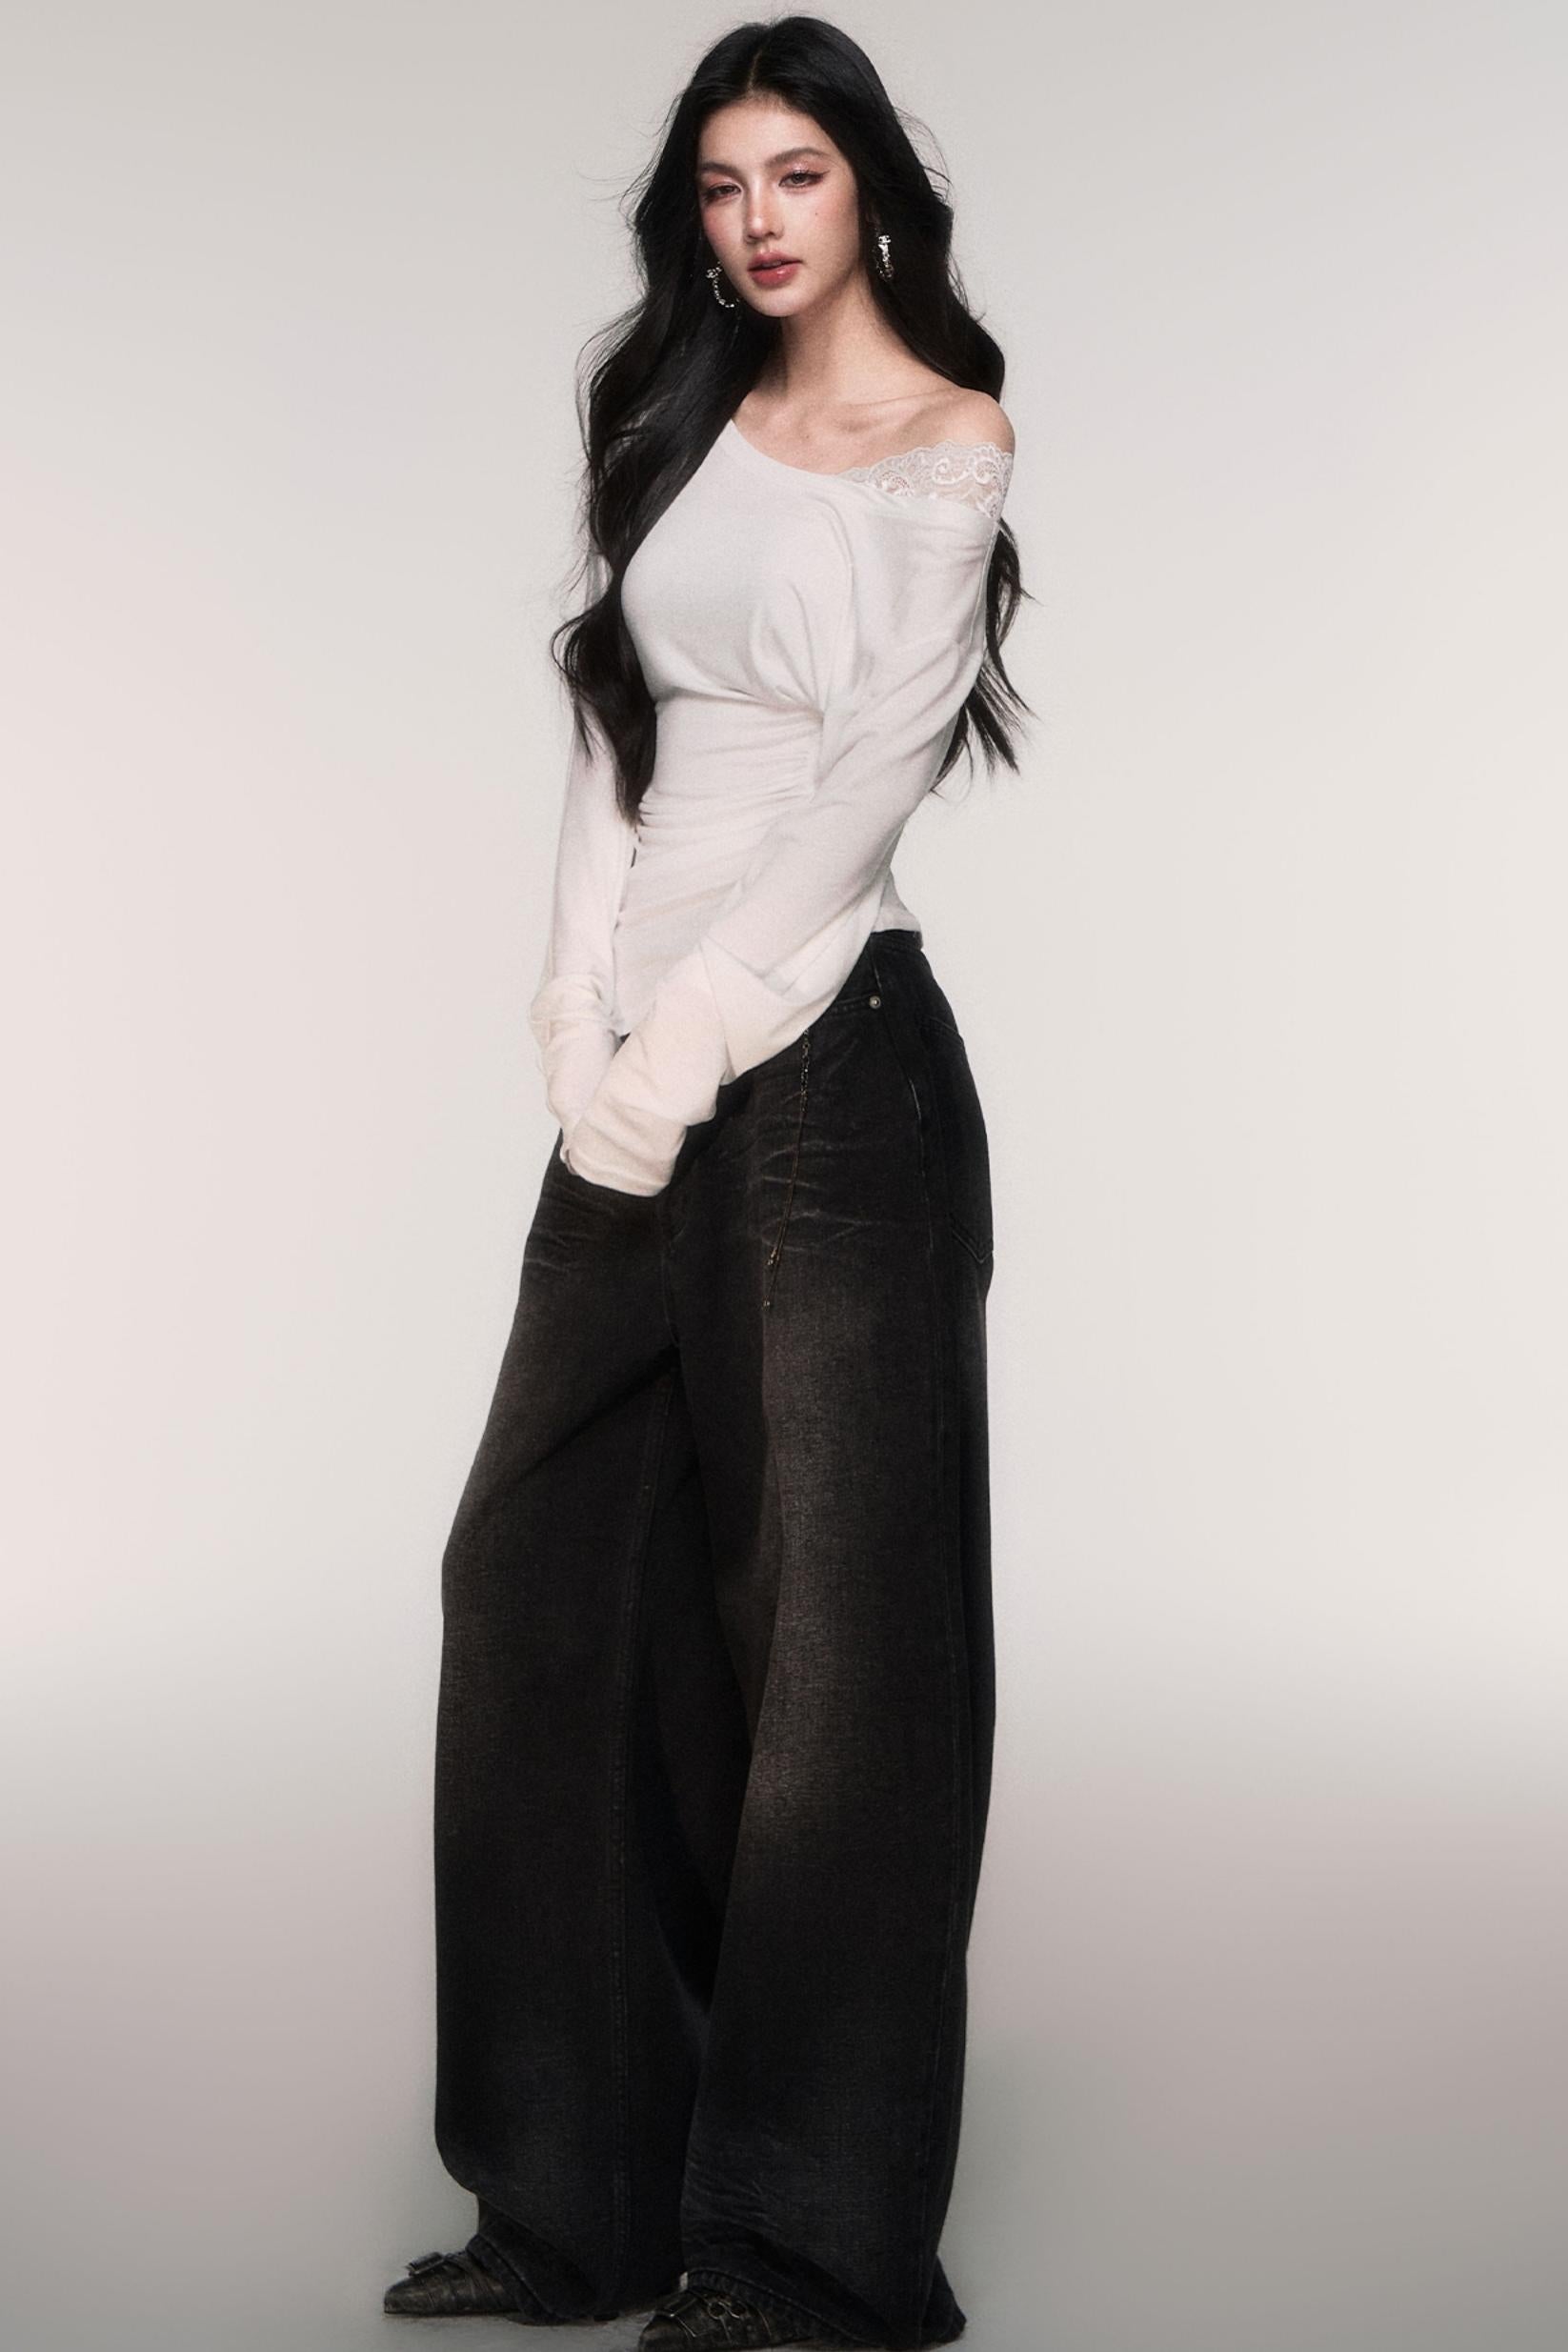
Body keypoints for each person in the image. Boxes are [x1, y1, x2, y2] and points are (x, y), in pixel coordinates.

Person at [384, 17, 1029, 2350]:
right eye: (721, 185)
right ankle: (569, 2200)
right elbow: (611, 731)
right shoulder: (674, 414)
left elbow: (867, 781)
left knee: (839, 1667)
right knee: (537, 1592)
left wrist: (683, 1042)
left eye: (797, 175)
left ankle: (801, 2245)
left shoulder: (945, 438)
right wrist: (577, 1021)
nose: (756, 220)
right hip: (635, 1080)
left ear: (871, 193)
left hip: (827, 1073)